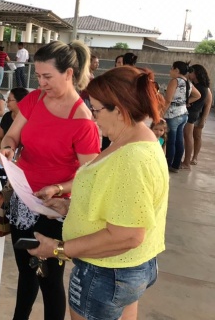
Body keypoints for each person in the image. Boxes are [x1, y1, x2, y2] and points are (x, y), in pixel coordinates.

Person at [28, 67, 169, 320]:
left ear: (120, 110)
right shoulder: (136, 139)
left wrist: (58, 249)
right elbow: (123, 204)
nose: (93, 118)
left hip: (107, 272)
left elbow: (128, 235)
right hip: (125, 268)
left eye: (96, 110)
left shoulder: (131, 158)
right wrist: (71, 208)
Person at [0, 40, 100, 320]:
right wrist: (8, 148)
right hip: (23, 199)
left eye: (47, 77)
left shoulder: (83, 121)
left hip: (54, 208)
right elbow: (12, 135)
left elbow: (90, 176)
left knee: (49, 279)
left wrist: (58, 188)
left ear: (68, 73)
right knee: (25, 271)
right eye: (38, 76)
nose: (41, 83)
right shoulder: (35, 99)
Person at [163, 61, 200, 173]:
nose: (170, 71)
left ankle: (168, 165)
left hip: (173, 114)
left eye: (171, 68)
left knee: (171, 141)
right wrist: (185, 102)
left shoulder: (174, 81)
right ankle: (176, 165)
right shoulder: (188, 82)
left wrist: (160, 114)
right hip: (183, 114)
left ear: (177, 70)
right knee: (179, 140)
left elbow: (168, 100)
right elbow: (197, 95)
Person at [182, 64, 211, 169]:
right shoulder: (194, 85)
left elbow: (208, 103)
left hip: (195, 114)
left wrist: (203, 119)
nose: (189, 74)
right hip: (193, 113)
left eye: (191, 72)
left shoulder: (203, 87)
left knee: (194, 136)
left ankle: (192, 159)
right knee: (187, 137)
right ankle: (186, 159)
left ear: (196, 73)